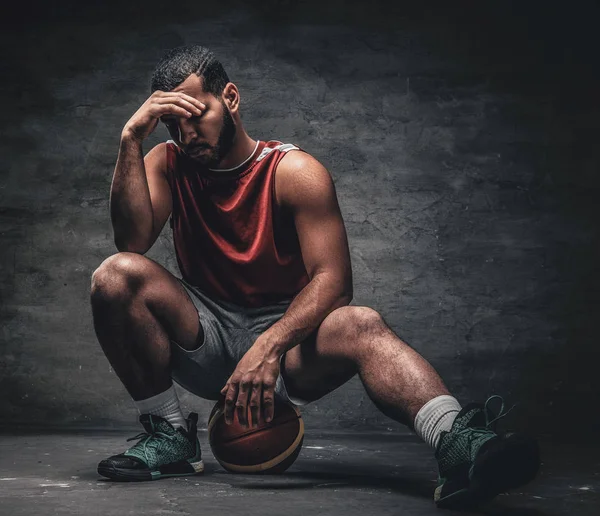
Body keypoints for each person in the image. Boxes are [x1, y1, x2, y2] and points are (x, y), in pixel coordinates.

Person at [90, 45, 539, 508]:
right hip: (207, 338)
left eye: (196, 114)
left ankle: (459, 444)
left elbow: (334, 282)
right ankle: (170, 436)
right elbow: (133, 241)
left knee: (360, 322)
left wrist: (268, 346)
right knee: (116, 275)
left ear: (230, 98)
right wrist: (131, 138)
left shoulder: (294, 172)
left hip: (290, 347)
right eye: (172, 124)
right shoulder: (166, 163)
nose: (186, 134)